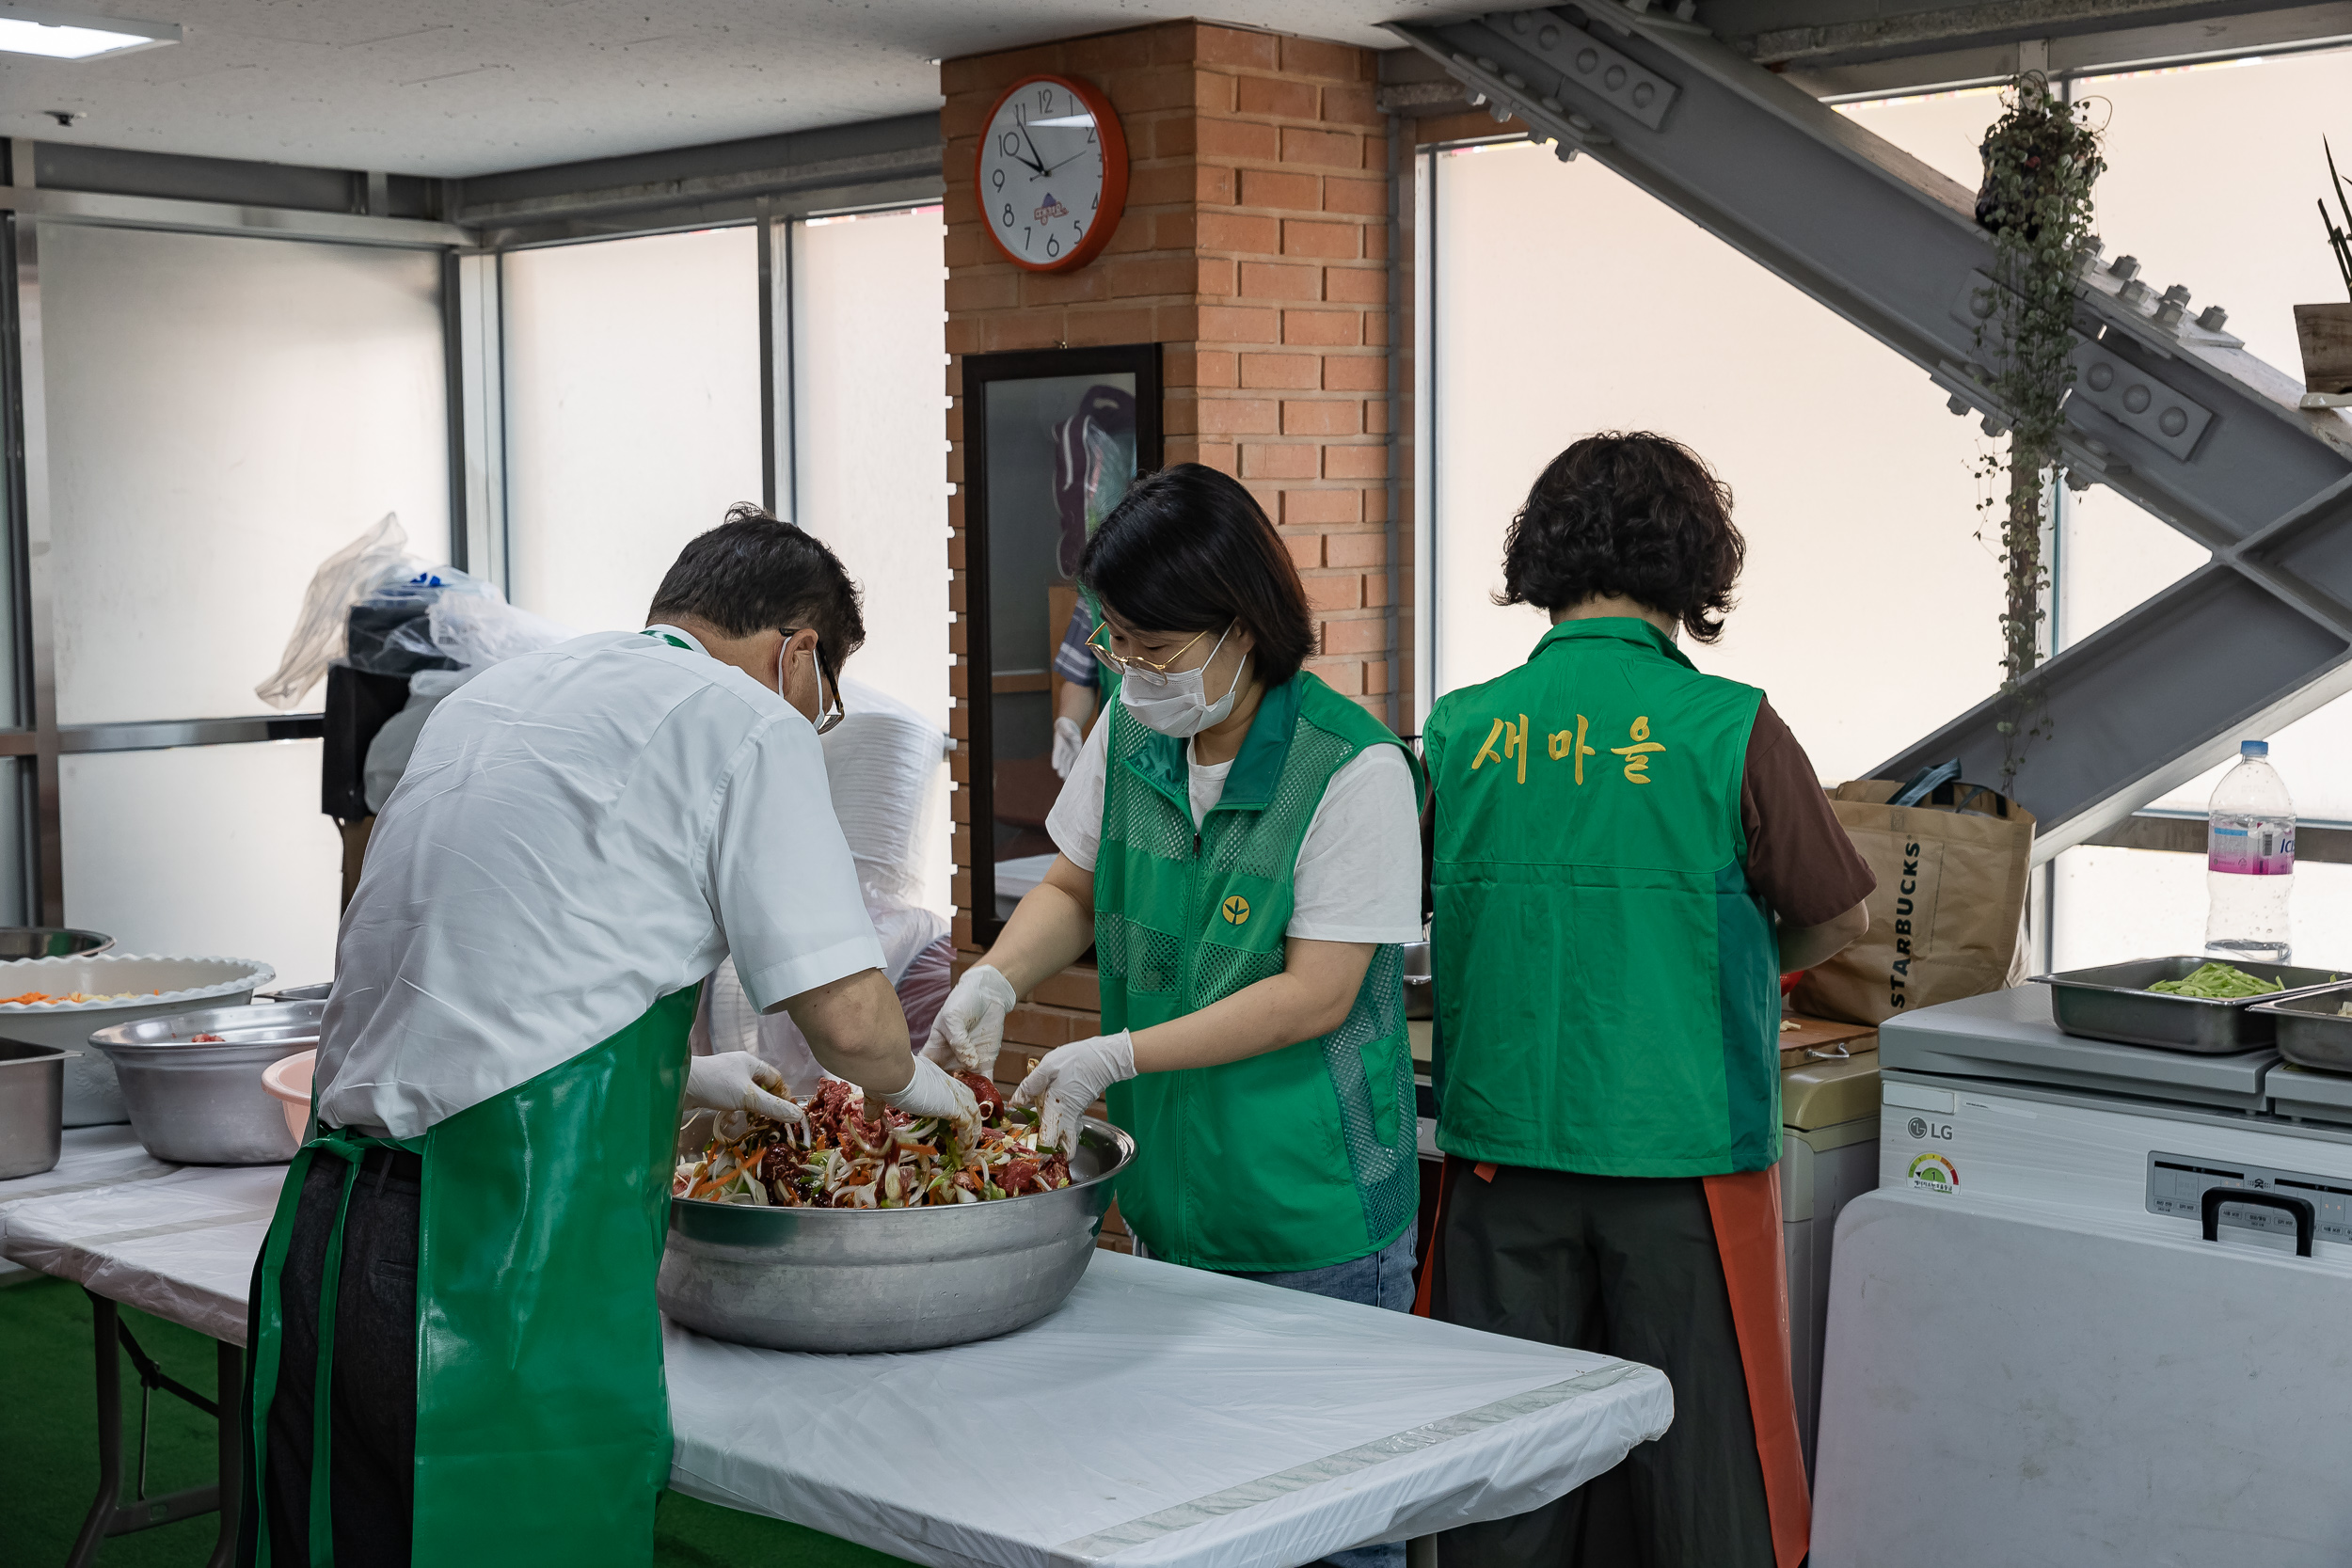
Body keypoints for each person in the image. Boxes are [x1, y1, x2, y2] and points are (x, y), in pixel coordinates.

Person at [240, 505, 979, 1568]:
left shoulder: (495, 697)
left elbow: (510, 949)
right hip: (490, 1258)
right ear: (799, 649)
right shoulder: (747, 718)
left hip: (327, 1224)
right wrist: (917, 1083)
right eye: (828, 700)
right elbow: (852, 1018)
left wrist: (687, 1068)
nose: (819, 718)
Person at [924, 463, 1424, 1568]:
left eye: (1154, 649)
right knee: (1190, 1510)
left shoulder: (1353, 767)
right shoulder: (1133, 734)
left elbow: (1316, 992)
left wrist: (1112, 1052)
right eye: (1118, 645)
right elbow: (1069, 886)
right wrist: (995, 980)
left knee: (1328, 1527)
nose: (1132, 671)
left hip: (1310, 1212)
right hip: (1168, 1210)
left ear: (1241, 628)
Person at [1420, 433, 1873, 1568]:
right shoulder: (1732, 728)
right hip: (1684, 1164)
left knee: (1499, 1474)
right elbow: (1836, 918)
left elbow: (1404, 915)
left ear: (1543, 557)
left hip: (1497, 1157)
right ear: (1693, 563)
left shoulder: (1461, 730)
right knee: (1702, 1476)